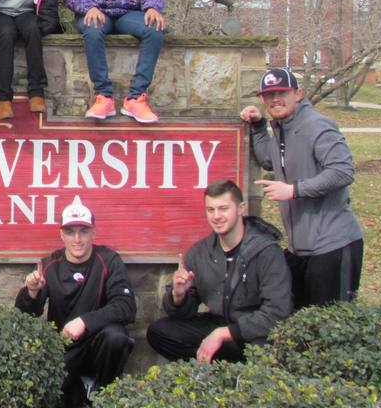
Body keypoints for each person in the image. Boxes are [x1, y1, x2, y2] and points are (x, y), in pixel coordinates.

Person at [240, 67, 364, 308]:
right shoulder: (282, 127)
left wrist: (294, 190)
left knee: (330, 328)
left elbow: (342, 171)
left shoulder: (318, 125)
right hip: (301, 250)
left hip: (333, 246)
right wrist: (258, 126)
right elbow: (268, 159)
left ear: (298, 94)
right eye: (269, 95)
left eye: (282, 93)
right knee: (300, 327)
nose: (275, 99)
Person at [146, 179, 292, 364]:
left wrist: (225, 333)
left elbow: (278, 312)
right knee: (159, 331)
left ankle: (246, 380)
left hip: (254, 332)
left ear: (241, 208)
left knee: (264, 348)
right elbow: (183, 313)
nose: (217, 216)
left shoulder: (267, 252)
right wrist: (178, 296)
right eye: (211, 210)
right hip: (219, 324)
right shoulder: (200, 252)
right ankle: (215, 372)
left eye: (224, 209)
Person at [14, 203, 135, 408]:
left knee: (117, 337)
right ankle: (86, 387)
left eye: (84, 232)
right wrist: (31, 292)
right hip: (64, 348)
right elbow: (25, 316)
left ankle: (106, 396)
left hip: (98, 342)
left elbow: (126, 306)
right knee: (44, 404)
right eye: (70, 232)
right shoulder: (50, 264)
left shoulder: (109, 260)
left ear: (94, 233)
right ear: (62, 235)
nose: (77, 240)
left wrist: (85, 322)